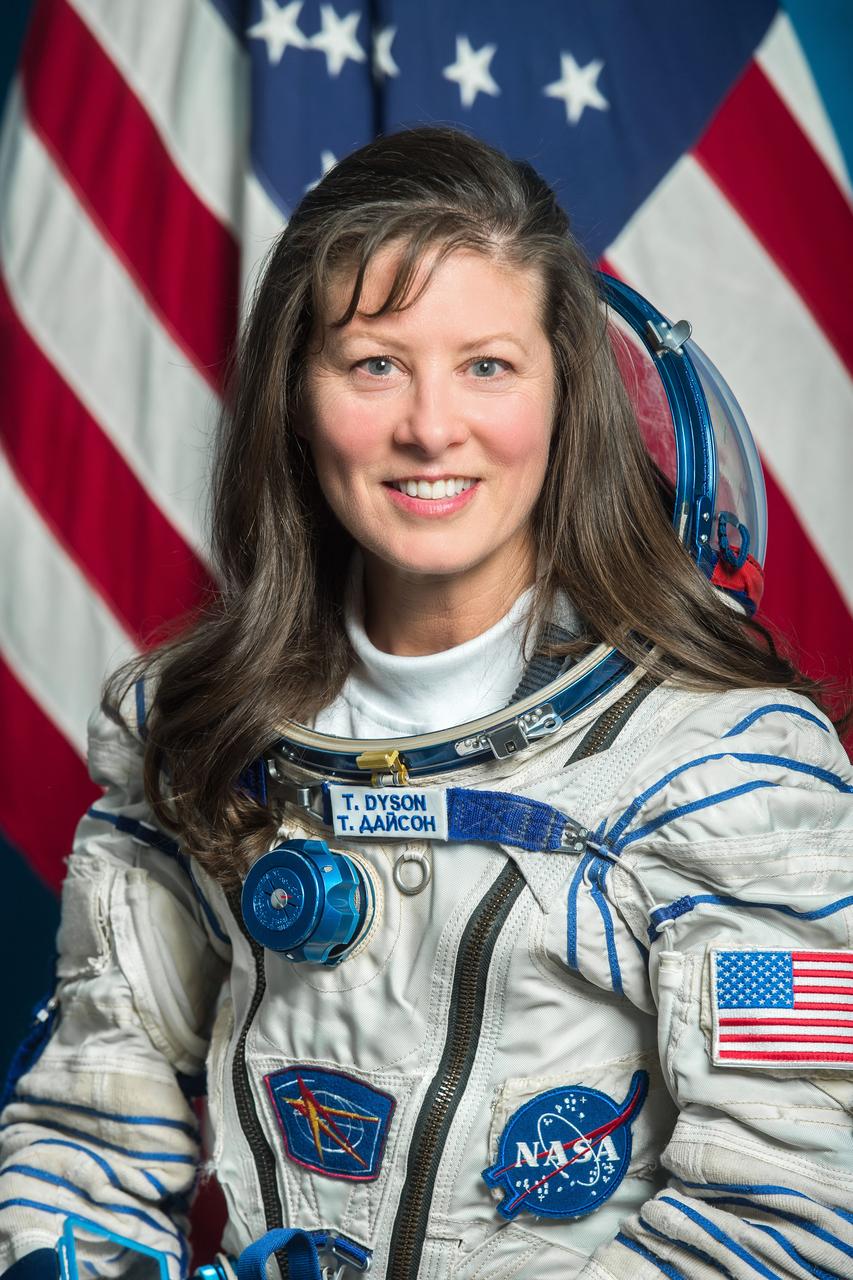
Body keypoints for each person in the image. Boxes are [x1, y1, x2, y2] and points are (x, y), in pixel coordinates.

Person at [1, 126, 851, 1280]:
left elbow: (786, 1223)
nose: (430, 426)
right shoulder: (198, 729)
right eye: (374, 363)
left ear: (567, 403)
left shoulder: (729, 778)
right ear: (294, 399)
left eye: (487, 365)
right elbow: (87, 1140)